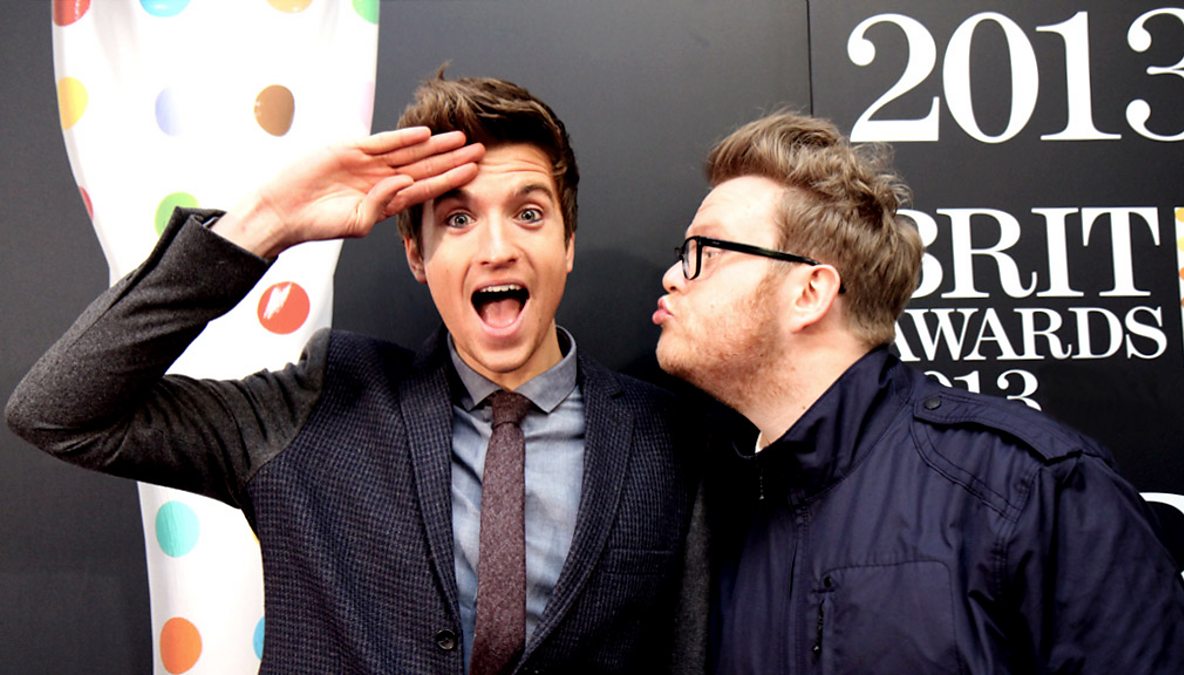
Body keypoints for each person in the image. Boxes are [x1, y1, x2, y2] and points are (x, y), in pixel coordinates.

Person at [6, 73, 695, 674]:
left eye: (529, 213)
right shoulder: (321, 399)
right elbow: (60, 413)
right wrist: (265, 222)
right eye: (458, 218)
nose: (497, 248)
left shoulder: (666, 437)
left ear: (567, 242)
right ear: (416, 254)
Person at [653, 112, 1184, 673]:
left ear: (810, 292)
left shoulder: (1031, 486)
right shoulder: (717, 517)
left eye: (705, 253)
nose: (673, 276)